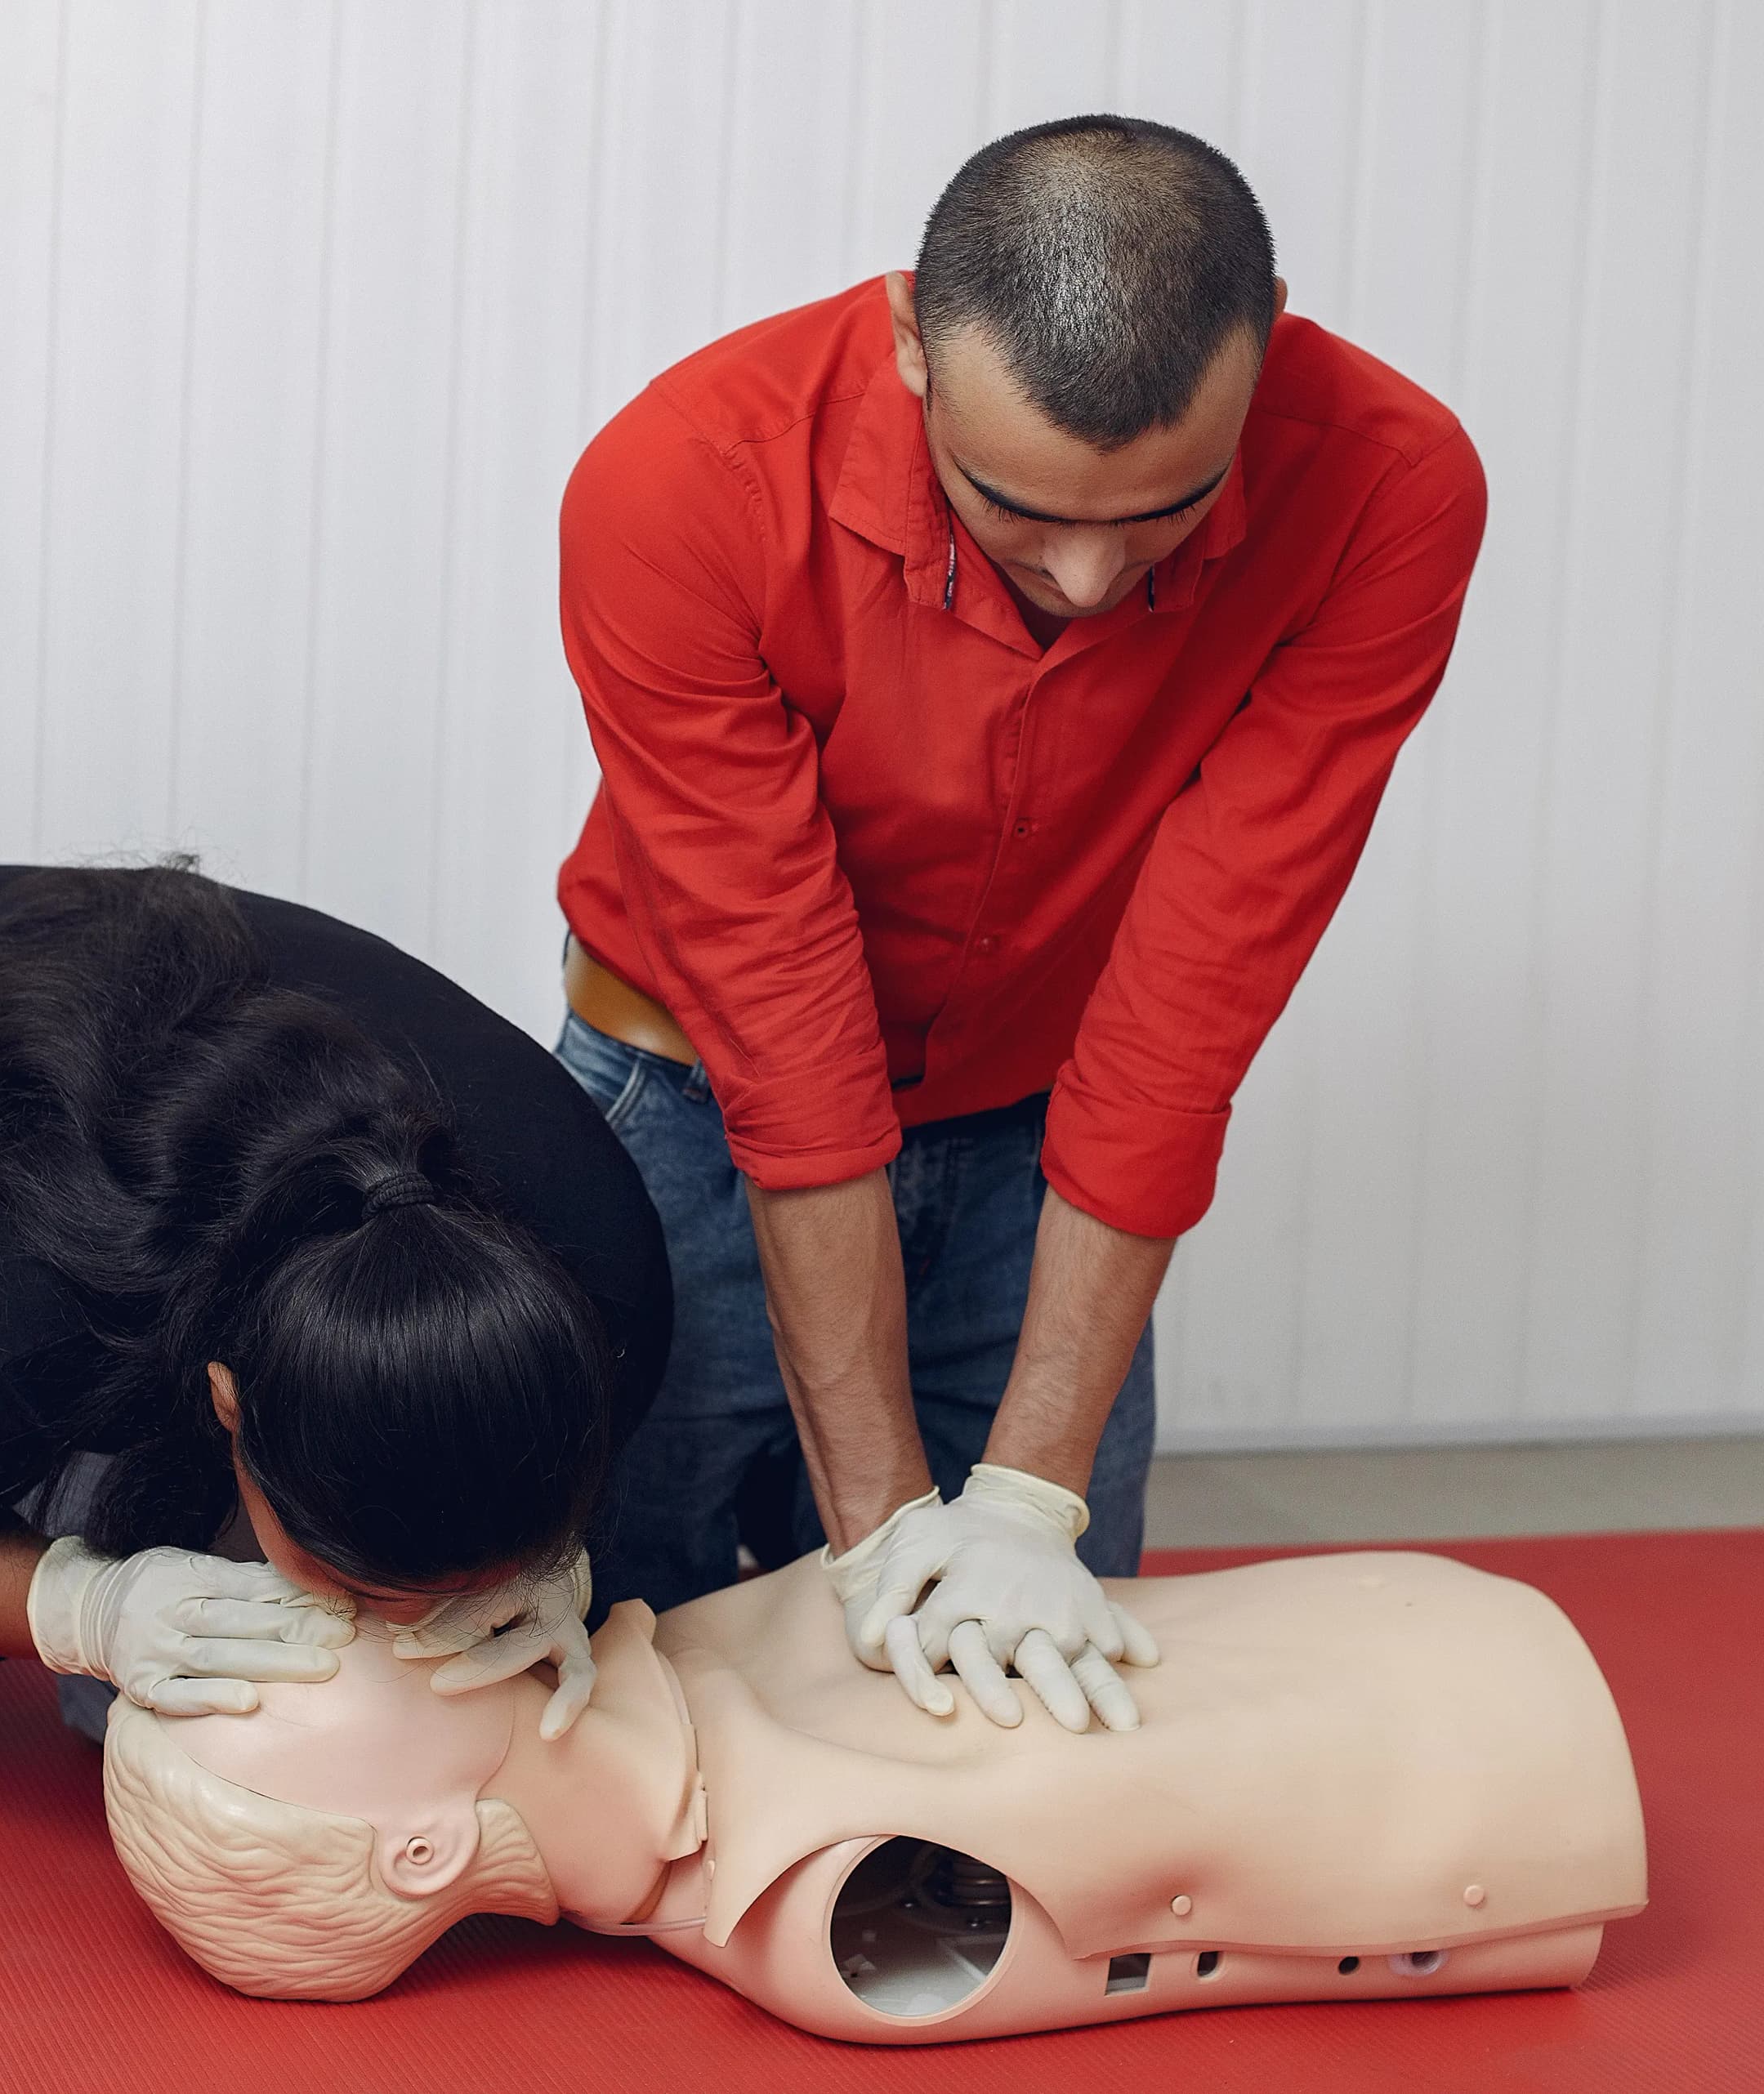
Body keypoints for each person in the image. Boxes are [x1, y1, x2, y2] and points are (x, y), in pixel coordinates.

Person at [551, 116, 1487, 1726]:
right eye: (1015, 507)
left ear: (1265, 342)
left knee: (1029, 1696)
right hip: (688, 1107)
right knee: (625, 1664)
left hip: (1044, 1129)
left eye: (1163, 515)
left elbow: (1199, 982)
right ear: (913, 339)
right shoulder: (682, 482)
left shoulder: (1395, 486)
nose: (1084, 577)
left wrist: (1030, 1494)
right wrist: (888, 1526)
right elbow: (782, 1015)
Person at [0, 863, 671, 1806]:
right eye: (361, 1584)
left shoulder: (604, 1276)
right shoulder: (34, 1307)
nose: (394, 1625)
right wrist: (91, 1606)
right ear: (229, 1401)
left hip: (126, 1192)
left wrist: (544, 1568)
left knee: (201, 1702)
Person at [96, 1547, 1647, 2034]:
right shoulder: (817, 1893)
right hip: (1498, 1743)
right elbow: (1212, 1848)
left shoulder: (662, 1652)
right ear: (424, 1841)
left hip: (1416, 1622)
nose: (309, 1623)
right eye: (289, 1679)